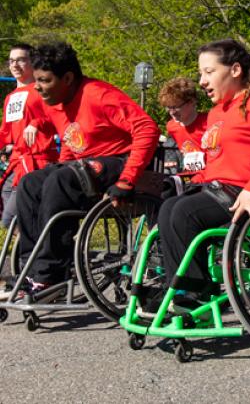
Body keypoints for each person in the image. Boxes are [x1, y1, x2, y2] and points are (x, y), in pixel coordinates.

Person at [157, 39, 250, 311]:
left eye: (209, 72)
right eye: (201, 73)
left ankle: (194, 295)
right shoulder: (218, 112)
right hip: (219, 189)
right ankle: (178, 289)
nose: (202, 81)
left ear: (235, 70)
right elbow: (221, 162)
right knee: (169, 206)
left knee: (184, 213)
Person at [2, 42, 160, 298]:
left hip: (118, 160)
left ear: (67, 78)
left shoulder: (99, 95)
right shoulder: (54, 101)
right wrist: (61, 164)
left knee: (61, 180)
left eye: (44, 80)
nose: (38, 87)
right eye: (37, 80)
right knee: (31, 182)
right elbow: (70, 140)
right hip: (83, 167)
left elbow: (147, 128)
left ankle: (50, 275)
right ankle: (31, 270)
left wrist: (127, 179)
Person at [0, 43, 60, 228]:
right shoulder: (10, 97)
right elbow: (6, 132)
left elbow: (59, 116)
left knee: (12, 218)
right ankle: (31, 252)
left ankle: (38, 251)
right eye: (11, 61)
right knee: (12, 220)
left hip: (37, 164)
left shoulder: (42, 89)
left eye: (20, 60)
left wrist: (36, 124)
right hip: (16, 164)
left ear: (32, 62)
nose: (15, 65)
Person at [158, 77, 208, 181]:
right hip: (188, 177)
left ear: (191, 102)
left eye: (175, 107)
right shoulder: (171, 126)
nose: (172, 112)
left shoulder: (210, 122)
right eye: (168, 107)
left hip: (210, 178)